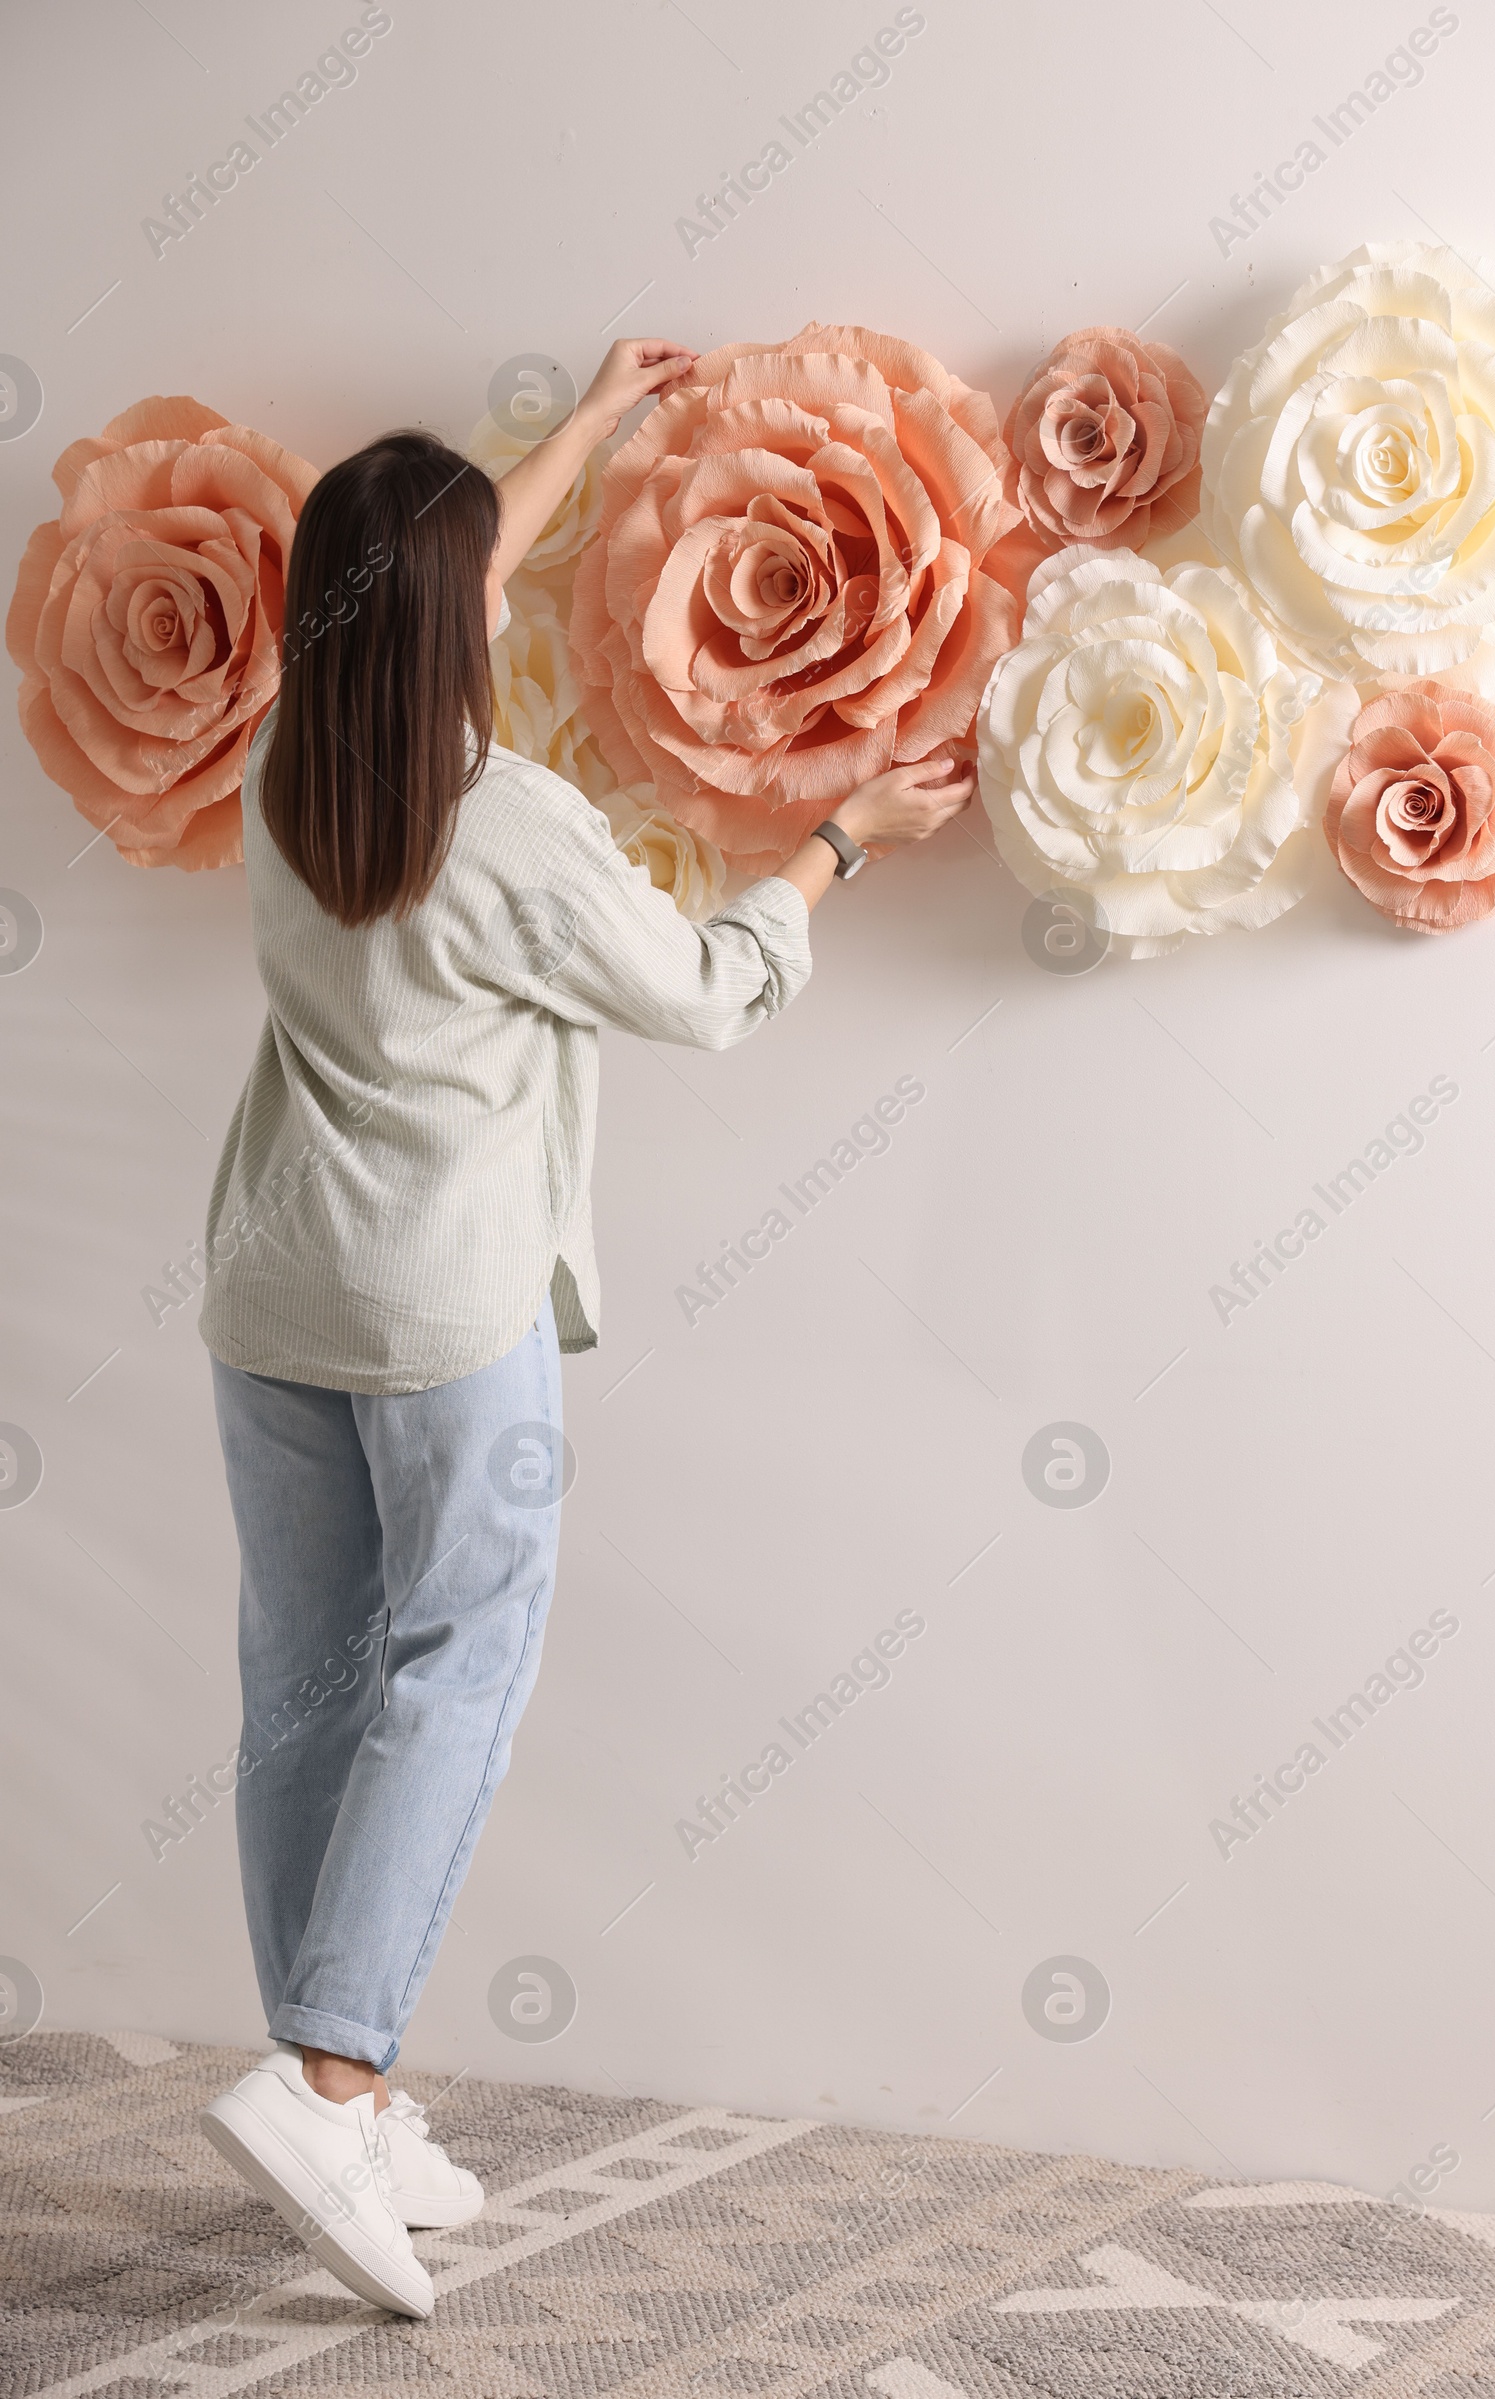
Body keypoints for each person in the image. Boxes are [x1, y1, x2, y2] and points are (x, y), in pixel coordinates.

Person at [195, 339, 974, 2318]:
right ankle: (330, 2070)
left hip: (272, 1287)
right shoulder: (509, 825)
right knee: (458, 1669)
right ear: (454, 616)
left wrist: (587, 438)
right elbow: (709, 988)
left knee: (307, 1683)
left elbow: (417, 586)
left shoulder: (290, 761)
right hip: (443, 1310)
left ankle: (340, 2100)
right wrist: (846, 837)